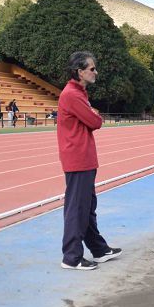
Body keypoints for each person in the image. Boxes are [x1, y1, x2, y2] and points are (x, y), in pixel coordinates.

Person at [58, 51, 121, 270]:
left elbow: (91, 118)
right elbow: (95, 121)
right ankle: (71, 257)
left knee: (87, 207)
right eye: (92, 69)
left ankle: (99, 249)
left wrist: (92, 113)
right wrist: (94, 114)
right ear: (79, 71)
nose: (96, 72)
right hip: (77, 158)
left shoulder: (79, 93)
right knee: (77, 208)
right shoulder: (72, 95)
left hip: (84, 157)